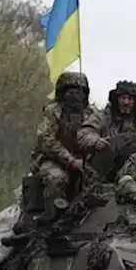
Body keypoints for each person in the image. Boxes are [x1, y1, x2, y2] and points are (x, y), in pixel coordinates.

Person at [30, 71, 98, 205]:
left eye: (79, 91)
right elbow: (46, 139)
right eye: (70, 91)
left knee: (97, 184)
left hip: (85, 161)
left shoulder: (92, 113)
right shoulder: (52, 111)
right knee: (56, 179)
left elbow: (97, 133)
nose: (75, 95)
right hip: (53, 160)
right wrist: (70, 160)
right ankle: (52, 218)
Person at [78, 80, 136, 155]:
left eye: (130, 99)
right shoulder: (103, 116)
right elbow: (85, 132)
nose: (126, 102)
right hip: (107, 161)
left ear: (135, 101)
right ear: (116, 99)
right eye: (123, 98)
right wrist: (95, 141)